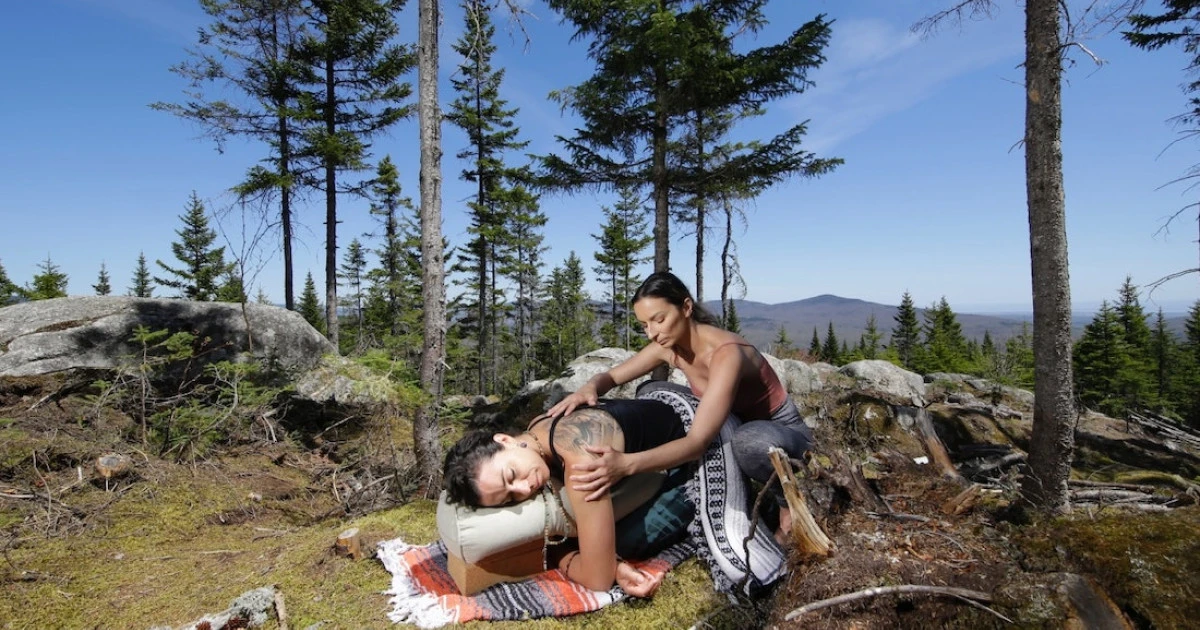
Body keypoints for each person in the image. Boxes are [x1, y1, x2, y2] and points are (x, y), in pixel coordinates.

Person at [544, 271, 812, 542]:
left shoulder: (727, 354)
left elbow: (697, 443)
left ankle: (785, 504)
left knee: (749, 442)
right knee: (650, 391)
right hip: (730, 422)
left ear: (686, 307)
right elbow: (612, 377)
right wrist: (589, 387)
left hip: (777, 430)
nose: (652, 333)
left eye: (659, 320)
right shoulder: (668, 346)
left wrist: (626, 465)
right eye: (644, 325)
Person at [442, 398, 694, 598]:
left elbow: (598, 580)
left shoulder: (581, 459)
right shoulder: (535, 434)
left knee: (626, 541)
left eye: (511, 475)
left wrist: (558, 553)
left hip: (690, 461)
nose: (524, 489)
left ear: (505, 440)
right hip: (654, 445)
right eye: (510, 498)